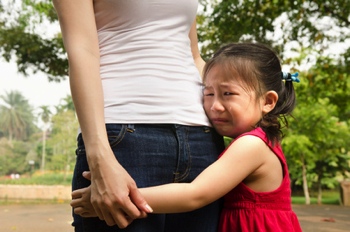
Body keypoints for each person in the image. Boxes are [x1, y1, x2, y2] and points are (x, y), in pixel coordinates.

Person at [71, 42, 303, 232]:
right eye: (208, 93)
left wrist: (120, 198)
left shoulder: (251, 145)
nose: (214, 106)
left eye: (228, 94)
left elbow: (195, 194)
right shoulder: (259, 142)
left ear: (268, 101)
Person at [52, 0, 225, 231]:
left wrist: (249, 97)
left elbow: (194, 56)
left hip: (201, 137)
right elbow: (82, 51)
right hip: (123, 137)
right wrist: (100, 157)